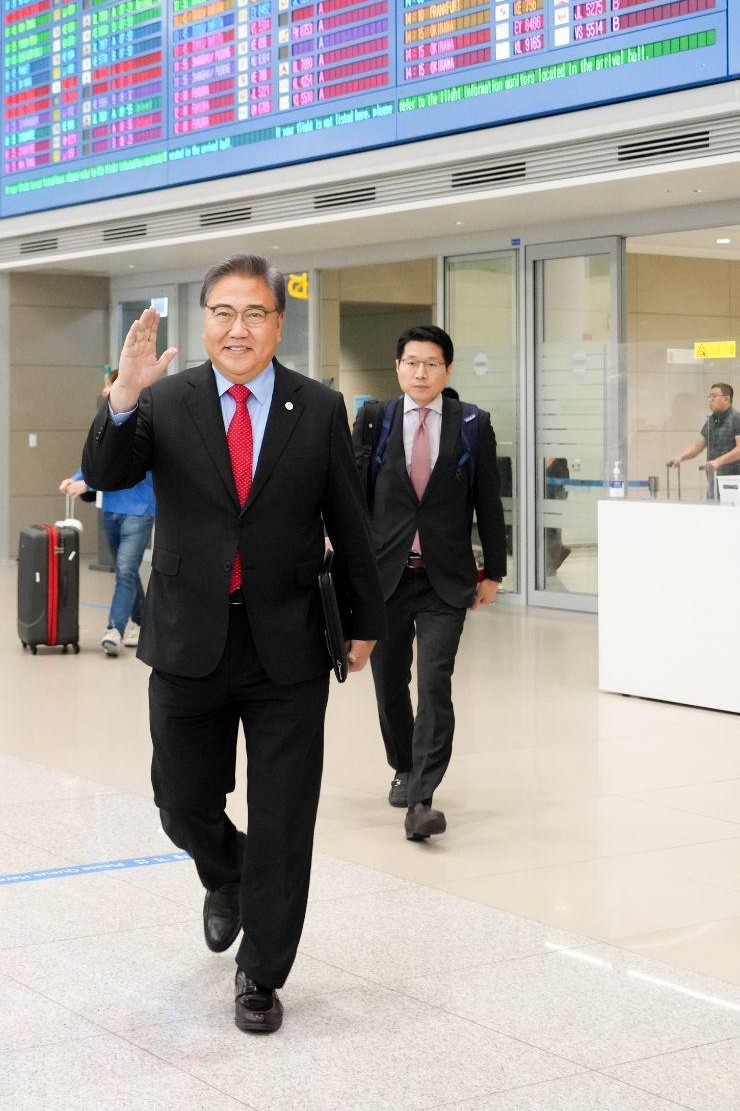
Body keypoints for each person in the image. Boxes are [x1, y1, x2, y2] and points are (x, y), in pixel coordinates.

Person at [81, 254, 384, 1035]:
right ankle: (230, 873)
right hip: (189, 636)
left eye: (254, 314)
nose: (237, 329)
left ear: (279, 324)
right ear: (204, 321)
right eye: (223, 313)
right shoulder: (165, 401)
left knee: (285, 815)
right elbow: (104, 470)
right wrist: (123, 394)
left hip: (289, 642)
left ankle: (261, 972)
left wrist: (365, 621)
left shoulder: (319, 407)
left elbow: (349, 520)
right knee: (181, 801)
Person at [352, 326, 506, 843]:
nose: (421, 373)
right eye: (413, 363)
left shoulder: (472, 424)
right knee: (389, 682)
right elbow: (352, 497)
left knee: (435, 682)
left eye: (432, 364)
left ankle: (422, 797)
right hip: (385, 577)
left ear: (447, 370)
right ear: (398, 367)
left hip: (446, 578)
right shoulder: (374, 420)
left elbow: (488, 500)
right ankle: (403, 764)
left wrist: (494, 571)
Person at [61, 372, 155, 656]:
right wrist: (76, 478)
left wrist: (88, 485)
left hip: (139, 510)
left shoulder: (146, 423)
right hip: (111, 509)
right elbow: (98, 460)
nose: (104, 391)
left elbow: (126, 467)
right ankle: (144, 624)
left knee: (125, 570)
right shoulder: (107, 422)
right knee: (126, 572)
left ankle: (115, 629)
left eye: (109, 385)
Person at [667, 383, 740, 500]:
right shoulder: (712, 420)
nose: (710, 400)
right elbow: (698, 445)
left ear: (727, 399)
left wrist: (718, 462)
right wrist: (680, 457)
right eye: (709, 397)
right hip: (713, 481)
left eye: (714, 396)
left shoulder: (737, 419)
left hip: (733, 483)